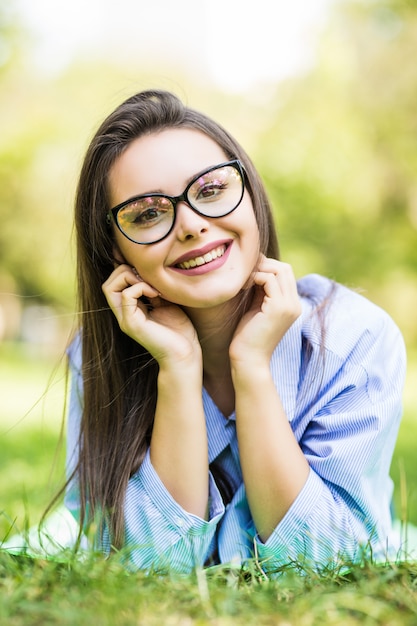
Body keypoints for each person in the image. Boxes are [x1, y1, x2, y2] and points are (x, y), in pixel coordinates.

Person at [65, 89, 406, 574]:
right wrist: (178, 368)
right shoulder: (96, 358)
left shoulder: (357, 340)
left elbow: (330, 561)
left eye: (210, 190)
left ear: (250, 195)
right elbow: (146, 565)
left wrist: (252, 368)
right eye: (147, 213)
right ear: (117, 253)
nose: (190, 225)